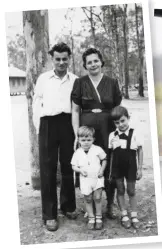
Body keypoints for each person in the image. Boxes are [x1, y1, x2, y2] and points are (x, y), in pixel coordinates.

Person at [71, 47, 122, 219]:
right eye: (89, 62)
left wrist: (118, 133)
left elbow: (117, 110)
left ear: (101, 62)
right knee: (88, 164)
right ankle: (90, 205)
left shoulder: (112, 82)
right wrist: (77, 134)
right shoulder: (80, 82)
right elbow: (76, 111)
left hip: (107, 129)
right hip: (88, 132)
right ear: (85, 65)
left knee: (109, 164)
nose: (93, 64)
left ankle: (109, 205)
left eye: (95, 61)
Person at [32, 42, 78, 231]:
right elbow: (36, 102)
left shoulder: (75, 79)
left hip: (68, 123)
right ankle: (49, 214)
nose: (61, 62)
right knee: (48, 168)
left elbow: (77, 107)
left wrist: (77, 130)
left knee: (68, 166)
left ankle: (68, 206)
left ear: (69, 59)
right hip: (48, 124)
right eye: (57, 59)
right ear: (52, 59)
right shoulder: (43, 79)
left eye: (64, 59)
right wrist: (39, 127)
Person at [108, 106, 143, 229]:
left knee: (131, 191)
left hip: (131, 166)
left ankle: (134, 215)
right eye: (117, 123)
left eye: (123, 121)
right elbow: (111, 154)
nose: (120, 124)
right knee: (121, 190)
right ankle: (124, 215)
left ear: (128, 118)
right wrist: (111, 172)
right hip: (117, 168)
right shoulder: (112, 135)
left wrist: (140, 168)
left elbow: (139, 150)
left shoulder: (134, 133)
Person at [71, 126, 107, 230]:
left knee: (98, 197)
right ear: (79, 140)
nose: (86, 142)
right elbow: (73, 166)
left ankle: (99, 217)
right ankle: (91, 217)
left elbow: (104, 159)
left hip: (97, 178)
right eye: (83, 140)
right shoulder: (77, 153)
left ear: (93, 139)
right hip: (85, 180)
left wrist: (102, 170)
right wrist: (80, 170)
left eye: (89, 140)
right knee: (88, 198)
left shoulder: (97, 149)